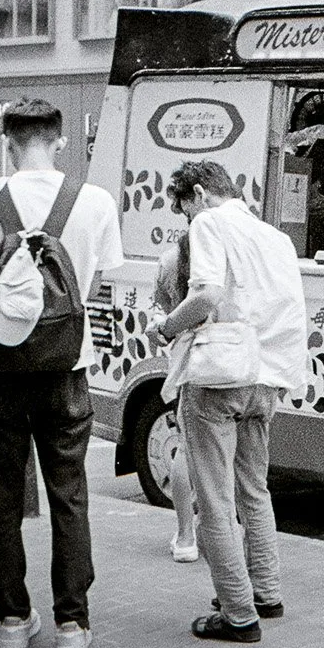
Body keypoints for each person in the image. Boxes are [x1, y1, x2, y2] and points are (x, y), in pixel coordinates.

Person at [0, 100, 123, 648]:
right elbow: (101, 285)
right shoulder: (95, 201)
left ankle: (13, 620)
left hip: (0, 369)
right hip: (66, 369)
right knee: (68, 496)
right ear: (60, 140)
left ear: (6, 141)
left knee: (1, 496)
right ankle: (72, 624)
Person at [156, 160, 308, 644]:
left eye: (183, 208)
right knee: (254, 490)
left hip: (221, 377)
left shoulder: (208, 222)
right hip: (269, 377)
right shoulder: (276, 238)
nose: (186, 220)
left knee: (216, 500)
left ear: (198, 193)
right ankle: (266, 591)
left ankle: (238, 613)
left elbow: (206, 294)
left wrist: (165, 327)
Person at [153, 233, 199, 563]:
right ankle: (218, 528)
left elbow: (167, 307)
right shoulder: (229, 249)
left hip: (186, 360)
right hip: (228, 362)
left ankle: (186, 536)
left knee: (186, 447)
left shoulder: (170, 259)